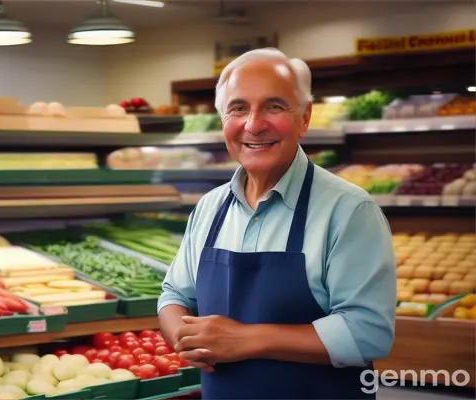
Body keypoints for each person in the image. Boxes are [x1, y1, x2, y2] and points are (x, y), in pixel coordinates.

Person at [157, 48, 397, 399]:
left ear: (304, 117)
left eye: (274, 106)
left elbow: (368, 331)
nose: (254, 124)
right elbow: (174, 294)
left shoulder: (348, 211)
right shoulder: (210, 208)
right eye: (238, 108)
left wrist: (245, 340)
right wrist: (185, 336)